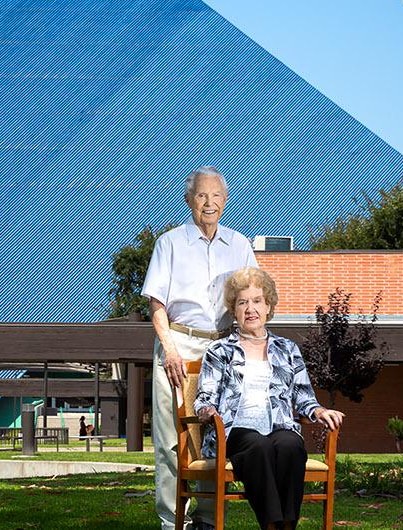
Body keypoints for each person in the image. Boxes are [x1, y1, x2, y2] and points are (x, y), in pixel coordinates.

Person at [140, 165, 258, 530]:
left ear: (225, 201)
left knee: (214, 437)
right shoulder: (170, 243)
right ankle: (171, 520)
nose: (210, 203)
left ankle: (206, 518)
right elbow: (156, 303)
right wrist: (170, 350)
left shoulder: (240, 245)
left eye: (216, 196)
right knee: (172, 439)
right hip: (179, 343)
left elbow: (254, 298)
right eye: (202, 196)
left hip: (222, 348)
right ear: (190, 201)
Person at [193, 267, 345, 530]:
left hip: (278, 426)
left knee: (290, 445)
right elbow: (204, 396)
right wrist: (206, 410)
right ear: (234, 309)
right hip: (234, 431)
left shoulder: (287, 349)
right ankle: (272, 526)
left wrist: (319, 412)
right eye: (242, 302)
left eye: (257, 301)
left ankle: (286, 527)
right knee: (258, 446)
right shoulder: (219, 350)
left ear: (268, 307)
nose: (250, 309)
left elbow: (303, 397)